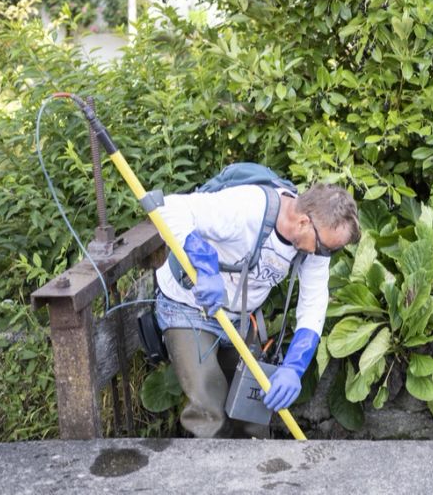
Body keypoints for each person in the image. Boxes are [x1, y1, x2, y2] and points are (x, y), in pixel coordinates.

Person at [153, 181, 360, 438]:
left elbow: (314, 304)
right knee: (209, 410)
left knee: (252, 413)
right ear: (304, 222)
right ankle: (213, 475)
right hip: (188, 307)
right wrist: (205, 267)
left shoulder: (315, 248)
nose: (324, 254)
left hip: (238, 318)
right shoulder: (249, 207)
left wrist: (293, 368)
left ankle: (258, 476)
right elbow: (168, 208)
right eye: (325, 247)